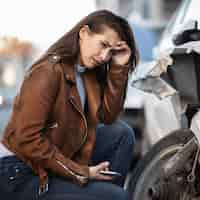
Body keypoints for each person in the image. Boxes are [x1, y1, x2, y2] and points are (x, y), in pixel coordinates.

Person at [0, 10, 139, 200]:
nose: (105, 56)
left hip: (51, 162)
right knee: (117, 197)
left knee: (121, 134)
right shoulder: (48, 71)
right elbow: (27, 139)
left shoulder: (87, 73)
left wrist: (119, 68)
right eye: (103, 45)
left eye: (112, 52)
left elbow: (108, 117)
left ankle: (100, 194)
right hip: (19, 172)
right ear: (83, 33)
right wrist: (81, 172)